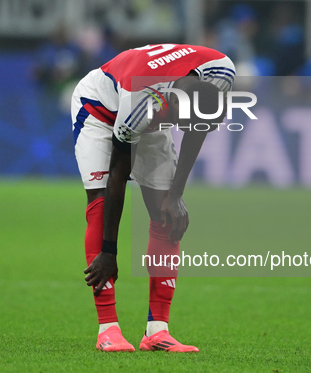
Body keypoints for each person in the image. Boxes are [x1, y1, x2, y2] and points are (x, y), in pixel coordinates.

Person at [71, 44, 234, 352]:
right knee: (100, 202)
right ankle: (108, 329)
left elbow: (197, 129)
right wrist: (109, 252)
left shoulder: (220, 71)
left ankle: (157, 332)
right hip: (100, 108)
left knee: (166, 214)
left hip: (153, 107)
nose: (191, 130)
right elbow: (118, 175)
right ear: (174, 106)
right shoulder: (137, 105)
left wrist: (176, 195)